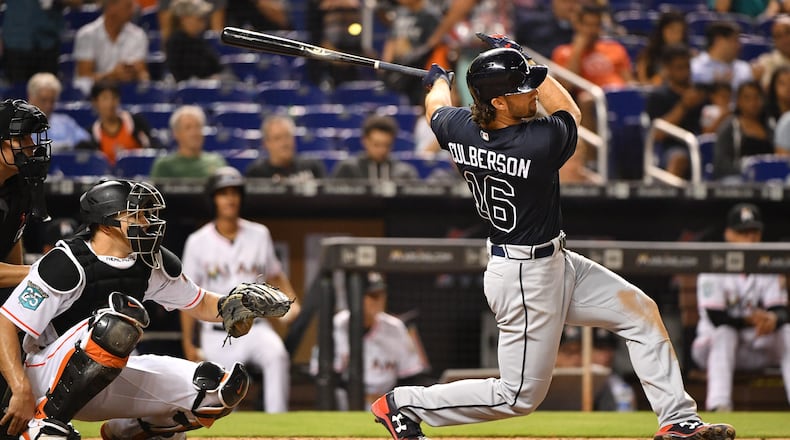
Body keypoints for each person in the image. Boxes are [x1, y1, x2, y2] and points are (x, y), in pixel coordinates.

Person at [370, 37, 736, 440]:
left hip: (553, 262)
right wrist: (517, 53)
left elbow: (436, 108)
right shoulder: (535, 143)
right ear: (499, 104)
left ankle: (677, 420)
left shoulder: (460, 129)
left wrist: (438, 80)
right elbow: (570, 109)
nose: (531, 94)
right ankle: (403, 403)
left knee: (641, 313)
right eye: (521, 90)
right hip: (526, 277)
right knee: (517, 397)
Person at [0, 178, 294, 439]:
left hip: (108, 376)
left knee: (217, 391)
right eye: (136, 214)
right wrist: (19, 387)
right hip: (47, 374)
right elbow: (5, 323)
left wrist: (237, 305)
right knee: (114, 323)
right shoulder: (66, 262)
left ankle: (126, 431)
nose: (147, 221)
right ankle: (44, 423)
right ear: (106, 223)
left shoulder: (149, 262)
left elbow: (200, 302)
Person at [180, 166, 300, 413]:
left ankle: (278, 424)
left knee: (277, 355)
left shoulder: (259, 234)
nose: (230, 198)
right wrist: (188, 343)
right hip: (217, 331)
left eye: (235, 192)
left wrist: (290, 301)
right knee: (222, 397)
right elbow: (186, 295)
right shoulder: (197, 241)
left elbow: (275, 272)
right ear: (213, 198)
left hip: (256, 327)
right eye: (223, 193)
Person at [691, 203, 790, 411]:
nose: (750, 238)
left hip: (754, 346)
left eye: (754, 231)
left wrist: (773, 319)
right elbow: (717, 318)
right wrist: (750, 319)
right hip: (711, 347)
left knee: (787, 332)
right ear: (729, 234)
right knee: (725, 333)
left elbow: (779, 309)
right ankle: (719, 405)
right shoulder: (713, 265)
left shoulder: (767, 266)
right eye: (743, 232)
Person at [311, 271, 429, 410]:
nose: (379, 300)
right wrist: (362, 395)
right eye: (373, 296)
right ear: (355, 297)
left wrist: (391, 399)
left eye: (382, 294)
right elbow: (325, 377)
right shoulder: (337, 325)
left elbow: (410, 375)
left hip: (388, 402)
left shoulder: (395, 327)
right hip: (347, 403)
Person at [0, 99, 51, 291]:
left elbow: (10, 238)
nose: (30, 146)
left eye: (30, 137)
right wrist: (40, 272)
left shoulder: (20, 183)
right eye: (21, 139)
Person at [645, 44, 707, 178]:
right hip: (671, 146)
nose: (685, 72)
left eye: (687, 67)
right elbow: (657, 134)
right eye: (680, 68)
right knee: (678, 159)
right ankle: (669, 198)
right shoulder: (659, 96)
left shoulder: (701, 93)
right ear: (668, 69)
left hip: (701, 143)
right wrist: (684, 106)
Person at [72, 0, 150, 95]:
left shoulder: (138, 35)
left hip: (128, 94)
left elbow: (140, 70)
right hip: (92, 96)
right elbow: (84, 78)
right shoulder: (86, 35)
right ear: (111, 7)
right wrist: (112, 76)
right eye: (128, 6)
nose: (134, 9)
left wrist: (138, 74)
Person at [0, 0, 81, 85]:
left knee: (45, 90)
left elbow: (77, 2)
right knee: (16, 91)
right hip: (15, 42)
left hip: (48, 43)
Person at [380, 0, 442, 106]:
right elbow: (392, 38)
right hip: (399, 68)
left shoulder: (430, 15)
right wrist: (386, 62)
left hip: (419, 70)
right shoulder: (401, 12)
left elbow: (433, 44)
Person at [86, 79, 161, 165]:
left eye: (114, 97)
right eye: (105, 98)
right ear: (95, 102)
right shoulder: (91, 135)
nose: (110, 103)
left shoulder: (136, 122)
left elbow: (155, 149)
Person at [712, 81, 775, 180]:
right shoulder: (730, 127)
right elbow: (721, 163)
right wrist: (748, 172)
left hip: (768, 177)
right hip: (738, 177)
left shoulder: (771, 125)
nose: (753, 103)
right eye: (747, 98)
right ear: (738, 101)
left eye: (757, 97)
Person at [331, 115, 419, 180]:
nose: (382, 150)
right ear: (365, 141)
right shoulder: (348, 169)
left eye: (386, 145)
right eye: (376, 145)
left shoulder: (404, 172)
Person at [149, 105, 227, 178]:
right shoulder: (164, 165)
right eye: (188, 128)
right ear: (176, 133)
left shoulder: (216, 162)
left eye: (198, 126)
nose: (194, 133)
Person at [244, 115, 327, 181]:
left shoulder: (312, 168)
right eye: (277, 138)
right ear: (266, 143)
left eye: (287, 136)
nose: (284, 143)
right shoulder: (256, 174)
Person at [26, 73, 92, 153]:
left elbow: (87, 145)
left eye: (52, 101)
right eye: (43, 100)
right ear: (31, 98)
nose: (48, 106)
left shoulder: (66, 123)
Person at [164, 0, 224, 83]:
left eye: (204, 19)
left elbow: (217, 66)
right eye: (199, 19)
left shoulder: (199, 39)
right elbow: (181, 75)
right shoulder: (175, 42)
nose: (203, 23)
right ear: (184, 19)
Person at [690, 21, 753, 92]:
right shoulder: (695, 67)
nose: (739, 46)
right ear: (719, 40)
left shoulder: (744, 68)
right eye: (734, 40)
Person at [635, 10, 690, 86]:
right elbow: (644, 87)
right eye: (671, 30)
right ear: (661, 31)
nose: (675, 35)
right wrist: (662, 75)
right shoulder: (646, 57)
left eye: (679, 31)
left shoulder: (689, 57)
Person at [752, 15, 790, 91]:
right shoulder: (766, 62)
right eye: (778, 36)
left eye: (788, 32)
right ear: (774, 42)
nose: (785, 39)